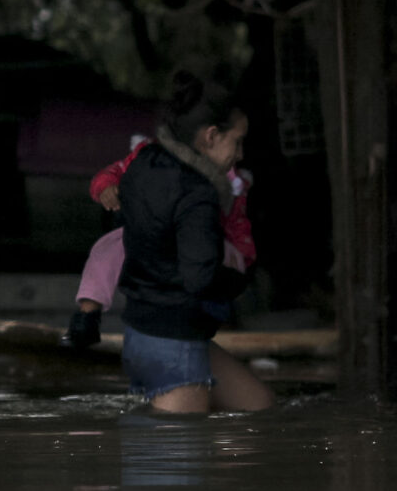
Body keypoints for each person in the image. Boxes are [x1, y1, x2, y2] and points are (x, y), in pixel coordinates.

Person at [110, 74, 276, 414]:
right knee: (177, 448)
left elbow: (122, 228)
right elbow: (199, 278)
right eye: (237, 141)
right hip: (174, 343)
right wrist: (240, 280)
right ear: (211, 136)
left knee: (258, 410)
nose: (240, 154)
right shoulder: (197, 194)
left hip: (141, 333)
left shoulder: (143, 162)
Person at [67, 139, 255, 347]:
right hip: (152, 234)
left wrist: (242, 256)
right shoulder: (151, 156)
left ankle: (217, 323)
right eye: (235, 146)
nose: (239, 154)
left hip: (199, 243)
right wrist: (107, 187)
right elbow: (112, 174)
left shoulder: (229, 180)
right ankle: (87, 317)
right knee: (106, 250)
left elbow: (237, 225)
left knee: (223, 264)